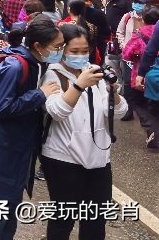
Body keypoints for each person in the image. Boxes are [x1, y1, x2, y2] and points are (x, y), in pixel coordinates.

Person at [0, 15, 63, 239]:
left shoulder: (36, 63)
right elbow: (3, 107)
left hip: (14, 148)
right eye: (57, 47)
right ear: (38, 46)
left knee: (9, 209)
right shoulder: (16, 66)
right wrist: (40, 95)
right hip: (0, 149)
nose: (60, 51)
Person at [41, 23, 128, 240]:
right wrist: (78, 85)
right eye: (74, 51)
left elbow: (120, 112)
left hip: (98, 160)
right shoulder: (52, 75)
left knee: (96, 221)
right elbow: (57, 111)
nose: (81, 56)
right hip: (63, 160)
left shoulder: (96, 73)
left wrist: (113, 94)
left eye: (85, 50)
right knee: (63, 220)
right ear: (61, 50)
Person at [124, 8, 159, 148]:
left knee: (138, 102)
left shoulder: (139, 34)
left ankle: (152, 130)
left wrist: (141, 74)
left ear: (143, 20)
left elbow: (127, 54)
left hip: (146, 73)